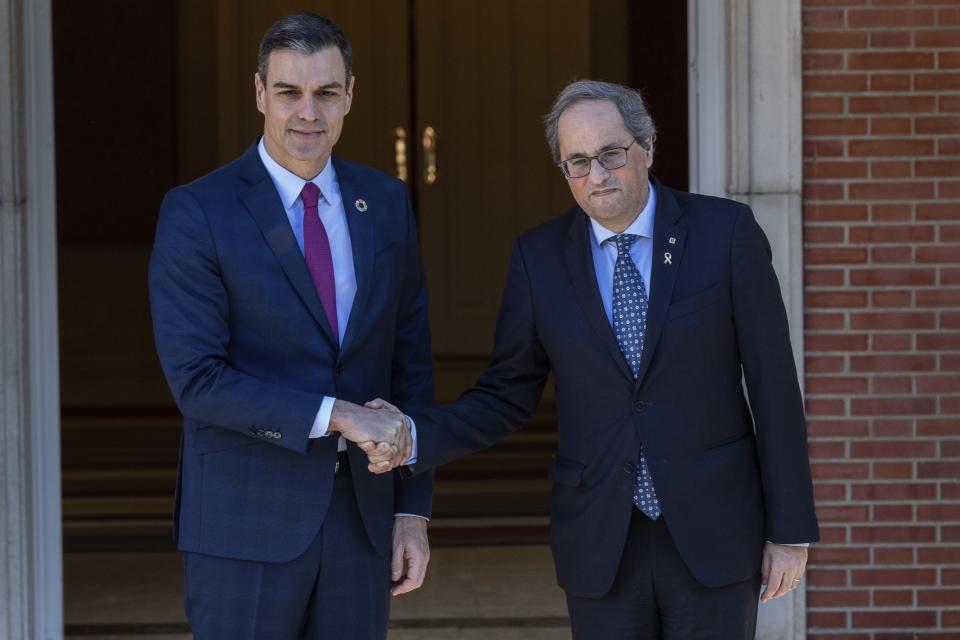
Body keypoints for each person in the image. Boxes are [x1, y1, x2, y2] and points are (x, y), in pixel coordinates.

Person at [360, 80, 820, 639]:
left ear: (647, 146)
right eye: (578, 162)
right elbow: (507, 393)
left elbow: (773, 384)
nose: (596, 175)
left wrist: (790, 531)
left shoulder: (724, 233)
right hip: (601, 541)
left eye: (610, 154)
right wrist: (413, 433)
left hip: (716, 531)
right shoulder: (539, 259)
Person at [149, 13, 430, 639]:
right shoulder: (199, 211)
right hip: (243, 524)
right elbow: (197, 380)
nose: (309, 112)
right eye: (289, 92)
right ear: (259, 93)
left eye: (326, 92)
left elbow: (410, 360)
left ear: (350, 95)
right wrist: (340, 415)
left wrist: (413, 509)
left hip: (361, 523)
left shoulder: (384, 202)